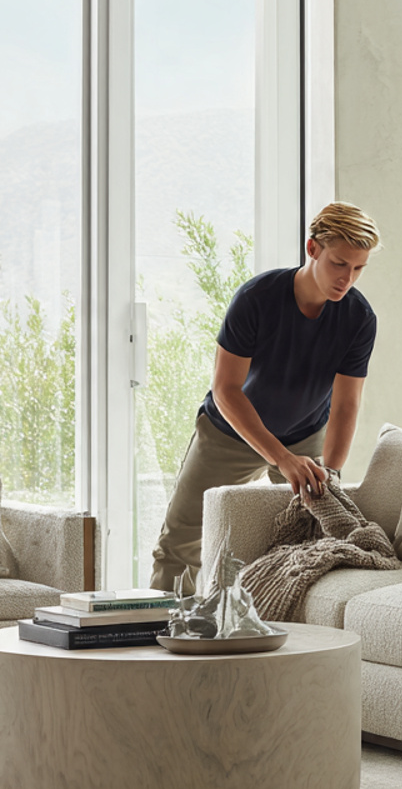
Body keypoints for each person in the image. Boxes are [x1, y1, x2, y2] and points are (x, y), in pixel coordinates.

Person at [149, 202, 380, 592]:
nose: (347, 278)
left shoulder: (359, 318)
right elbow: (225, 389)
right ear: (312, 248)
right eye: (339, 263)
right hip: (229, 433)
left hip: (305, 435)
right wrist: (281, 459)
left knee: (313, 541)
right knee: (179, 545)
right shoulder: (257, 298)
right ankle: (163, 626)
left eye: (358, 268)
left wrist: (331, 473)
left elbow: (346, 405)